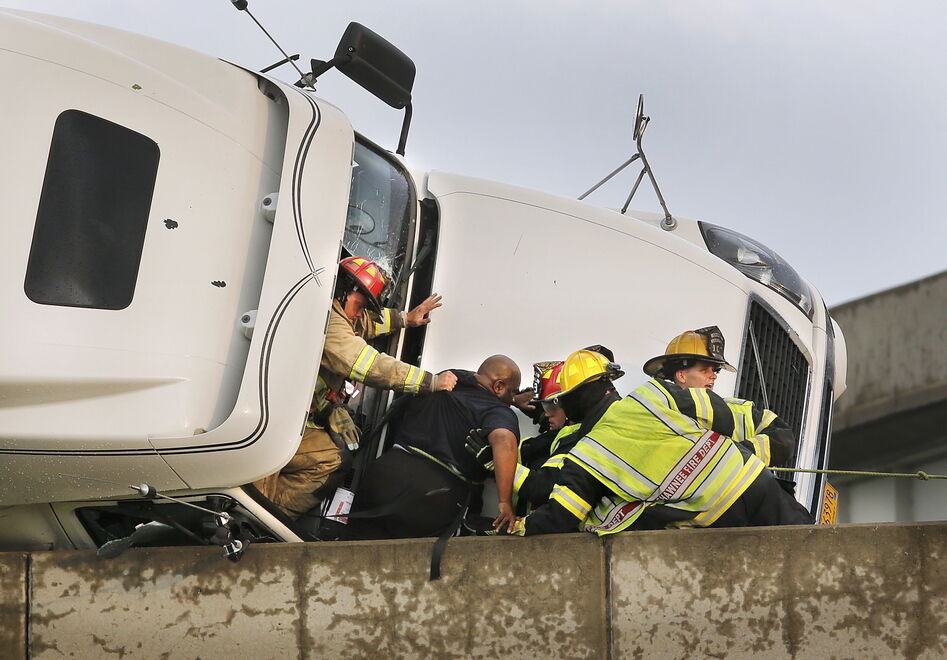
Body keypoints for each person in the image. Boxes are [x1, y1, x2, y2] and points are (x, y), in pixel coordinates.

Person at [510, 349, 813, 536]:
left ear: (572, 399)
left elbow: (562, 515)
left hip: (716, 516)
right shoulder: (652, 395)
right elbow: (745, 419)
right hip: (755, 483)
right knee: (820, 555)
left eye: (558, 403)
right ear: (607, 383)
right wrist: (744, 454)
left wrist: (519, 525)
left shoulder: (586, 454)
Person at [253, 255, 457, 519]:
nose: (360, 313)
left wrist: (405, 318)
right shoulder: (329, 321)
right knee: (265, 471)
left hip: (286, 415)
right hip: (271, 420)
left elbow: (365, 322)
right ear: (342, 293)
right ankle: (259, 517)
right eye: (360, 304)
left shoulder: (336, 309)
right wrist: (429, 381)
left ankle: (266, 513)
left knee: (332, 459)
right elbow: (367, 365)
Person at [347, 355, 522, 540]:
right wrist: (504, 502)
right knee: (413, 565)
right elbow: (504, 441)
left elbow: (477, 378)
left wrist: (514, 397)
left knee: (350, 556)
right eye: (513, 393)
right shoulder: (497, 410)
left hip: (382, 475)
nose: (512, 400)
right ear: (499, 387)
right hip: (431, 494)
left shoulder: (446, 379)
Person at [642, 326, 794, 467]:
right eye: (704, 370)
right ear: (681, 375)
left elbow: (784, 438)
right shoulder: (655, 416)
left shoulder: (740, 412)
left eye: (715, 370)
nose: (713, 376)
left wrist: (737, 455)